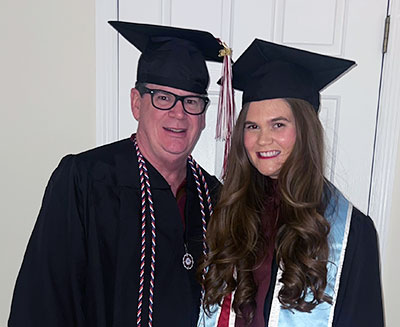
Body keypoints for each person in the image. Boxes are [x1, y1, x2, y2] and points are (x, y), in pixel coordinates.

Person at [8, 21, 229, 327]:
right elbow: (43, 301)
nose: (179, 114)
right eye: (163, 97)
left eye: (192, 102)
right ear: (136, 103)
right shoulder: (84, 181)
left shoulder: (215, 197)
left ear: (203, 117)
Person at [198, 39, 384, 327]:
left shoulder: (351, 233)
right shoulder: (229, 212)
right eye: (252, 126)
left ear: (304, 130)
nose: (262, 139)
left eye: (278, 124)